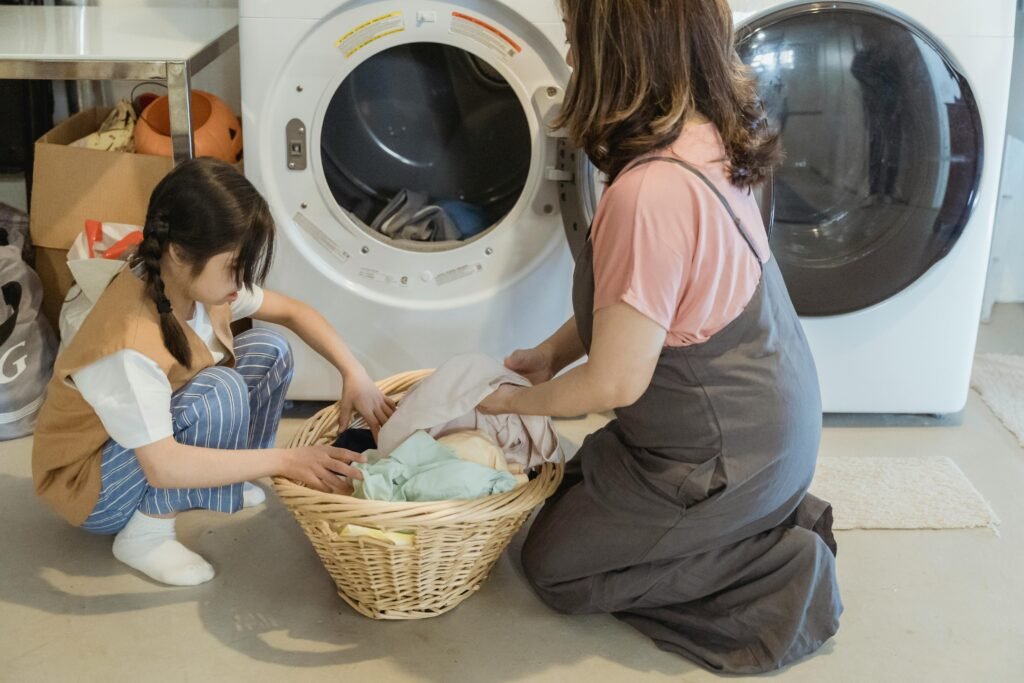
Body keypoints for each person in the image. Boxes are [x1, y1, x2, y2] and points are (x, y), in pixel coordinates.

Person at [479, 0, 842, 673]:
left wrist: (509, 403)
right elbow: (645, 305)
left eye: (572, 37)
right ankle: (759, 517)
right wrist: (550, 356)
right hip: (763, 428)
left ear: (618, 50)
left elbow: (616, 381)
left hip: (722, 459)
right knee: (564, 489)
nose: (571, 56)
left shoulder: (649, 194)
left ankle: (778, 566)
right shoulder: (707, 138)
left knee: (555, 565)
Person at [32, 158, 395, 587]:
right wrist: (287, 459)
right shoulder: (127, 341)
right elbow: (163, 467)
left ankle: (222, 480)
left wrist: (353, 373)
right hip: (92, 489)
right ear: (180, 252)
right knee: (218, 388)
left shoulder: (189, 281)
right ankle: (145, 534)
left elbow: (294, 313)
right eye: (235, 266)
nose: (241, 283)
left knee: (269, 349)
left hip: (140, 447)